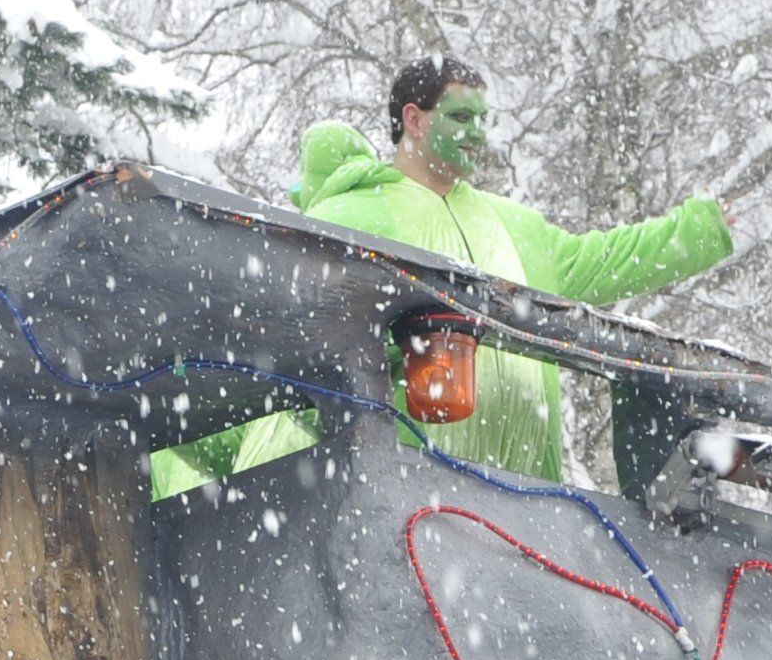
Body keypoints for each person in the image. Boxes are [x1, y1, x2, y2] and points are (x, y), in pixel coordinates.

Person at [294, 60, 734, 485]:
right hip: (403, 487)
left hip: (528, 499)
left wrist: (696, 231)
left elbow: (605, 260)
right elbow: (295, 348)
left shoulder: (515, 225)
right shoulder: (352, 216)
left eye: (483, 119)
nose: (476, 133)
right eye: (461, 116)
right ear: (414, 119)